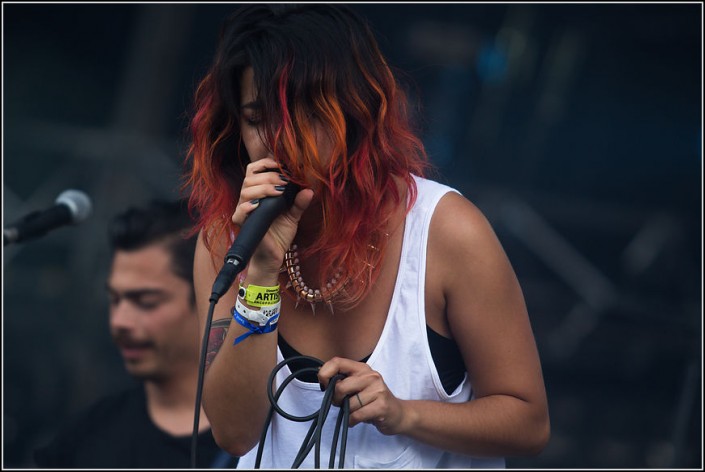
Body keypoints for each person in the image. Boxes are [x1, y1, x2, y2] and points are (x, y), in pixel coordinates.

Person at [185, 4, 550, 469]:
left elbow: (528, 423)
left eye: (304, 114)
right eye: (257, 118)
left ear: (355, 110)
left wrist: (403, 414)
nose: (281, 139)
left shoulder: (446, 231)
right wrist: (261, 271)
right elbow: (234, 433)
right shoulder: (227, 242)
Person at [34, 199, 237, 468]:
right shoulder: (84, 438)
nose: (120, 321)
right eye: (115, 299)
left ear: (204, 296)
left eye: (146, 301)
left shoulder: (261, 436)